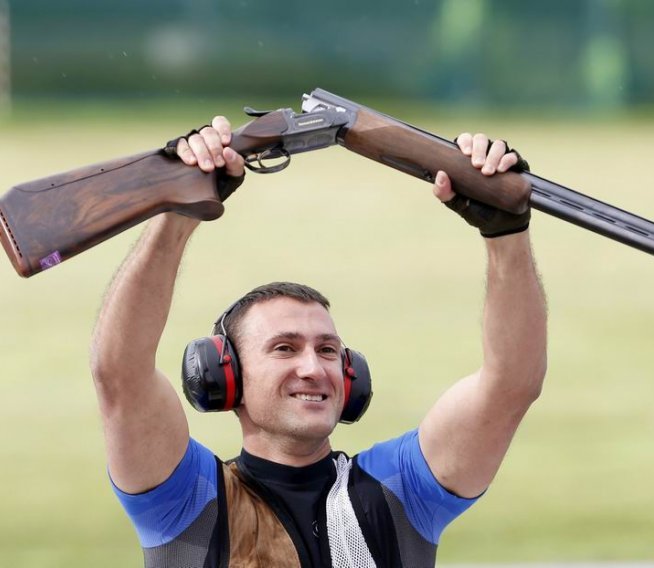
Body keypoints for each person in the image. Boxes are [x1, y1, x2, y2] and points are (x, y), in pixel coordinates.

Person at [89, 116, 548, 567]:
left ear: (352, 377)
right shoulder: (186, 501)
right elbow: (120, 373)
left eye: (327, 350)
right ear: (224, 375)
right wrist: (177, 214)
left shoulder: (400, 490)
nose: (313, 367)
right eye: (284, 348)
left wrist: (505, 232)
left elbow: (510, 383)